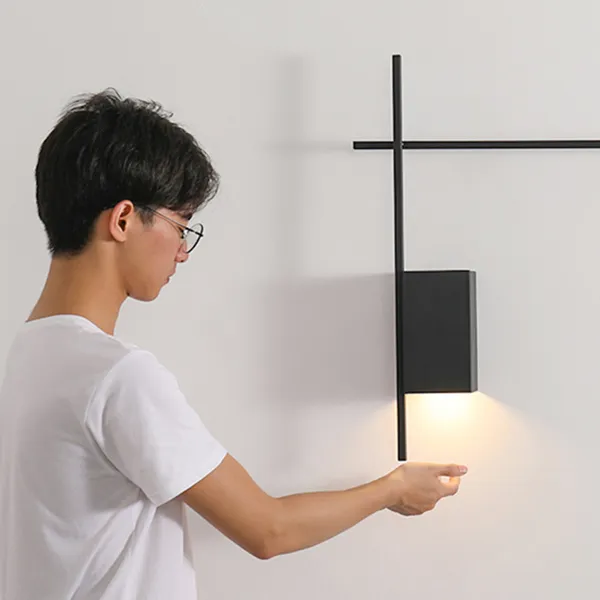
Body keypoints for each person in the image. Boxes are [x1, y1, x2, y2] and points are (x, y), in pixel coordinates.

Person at [0, 89, 468, 600]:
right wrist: (393, 489)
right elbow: (267, 529)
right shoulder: (118, 376)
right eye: (180, 226)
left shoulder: (30, 355)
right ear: (124, 219)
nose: (182, 252)